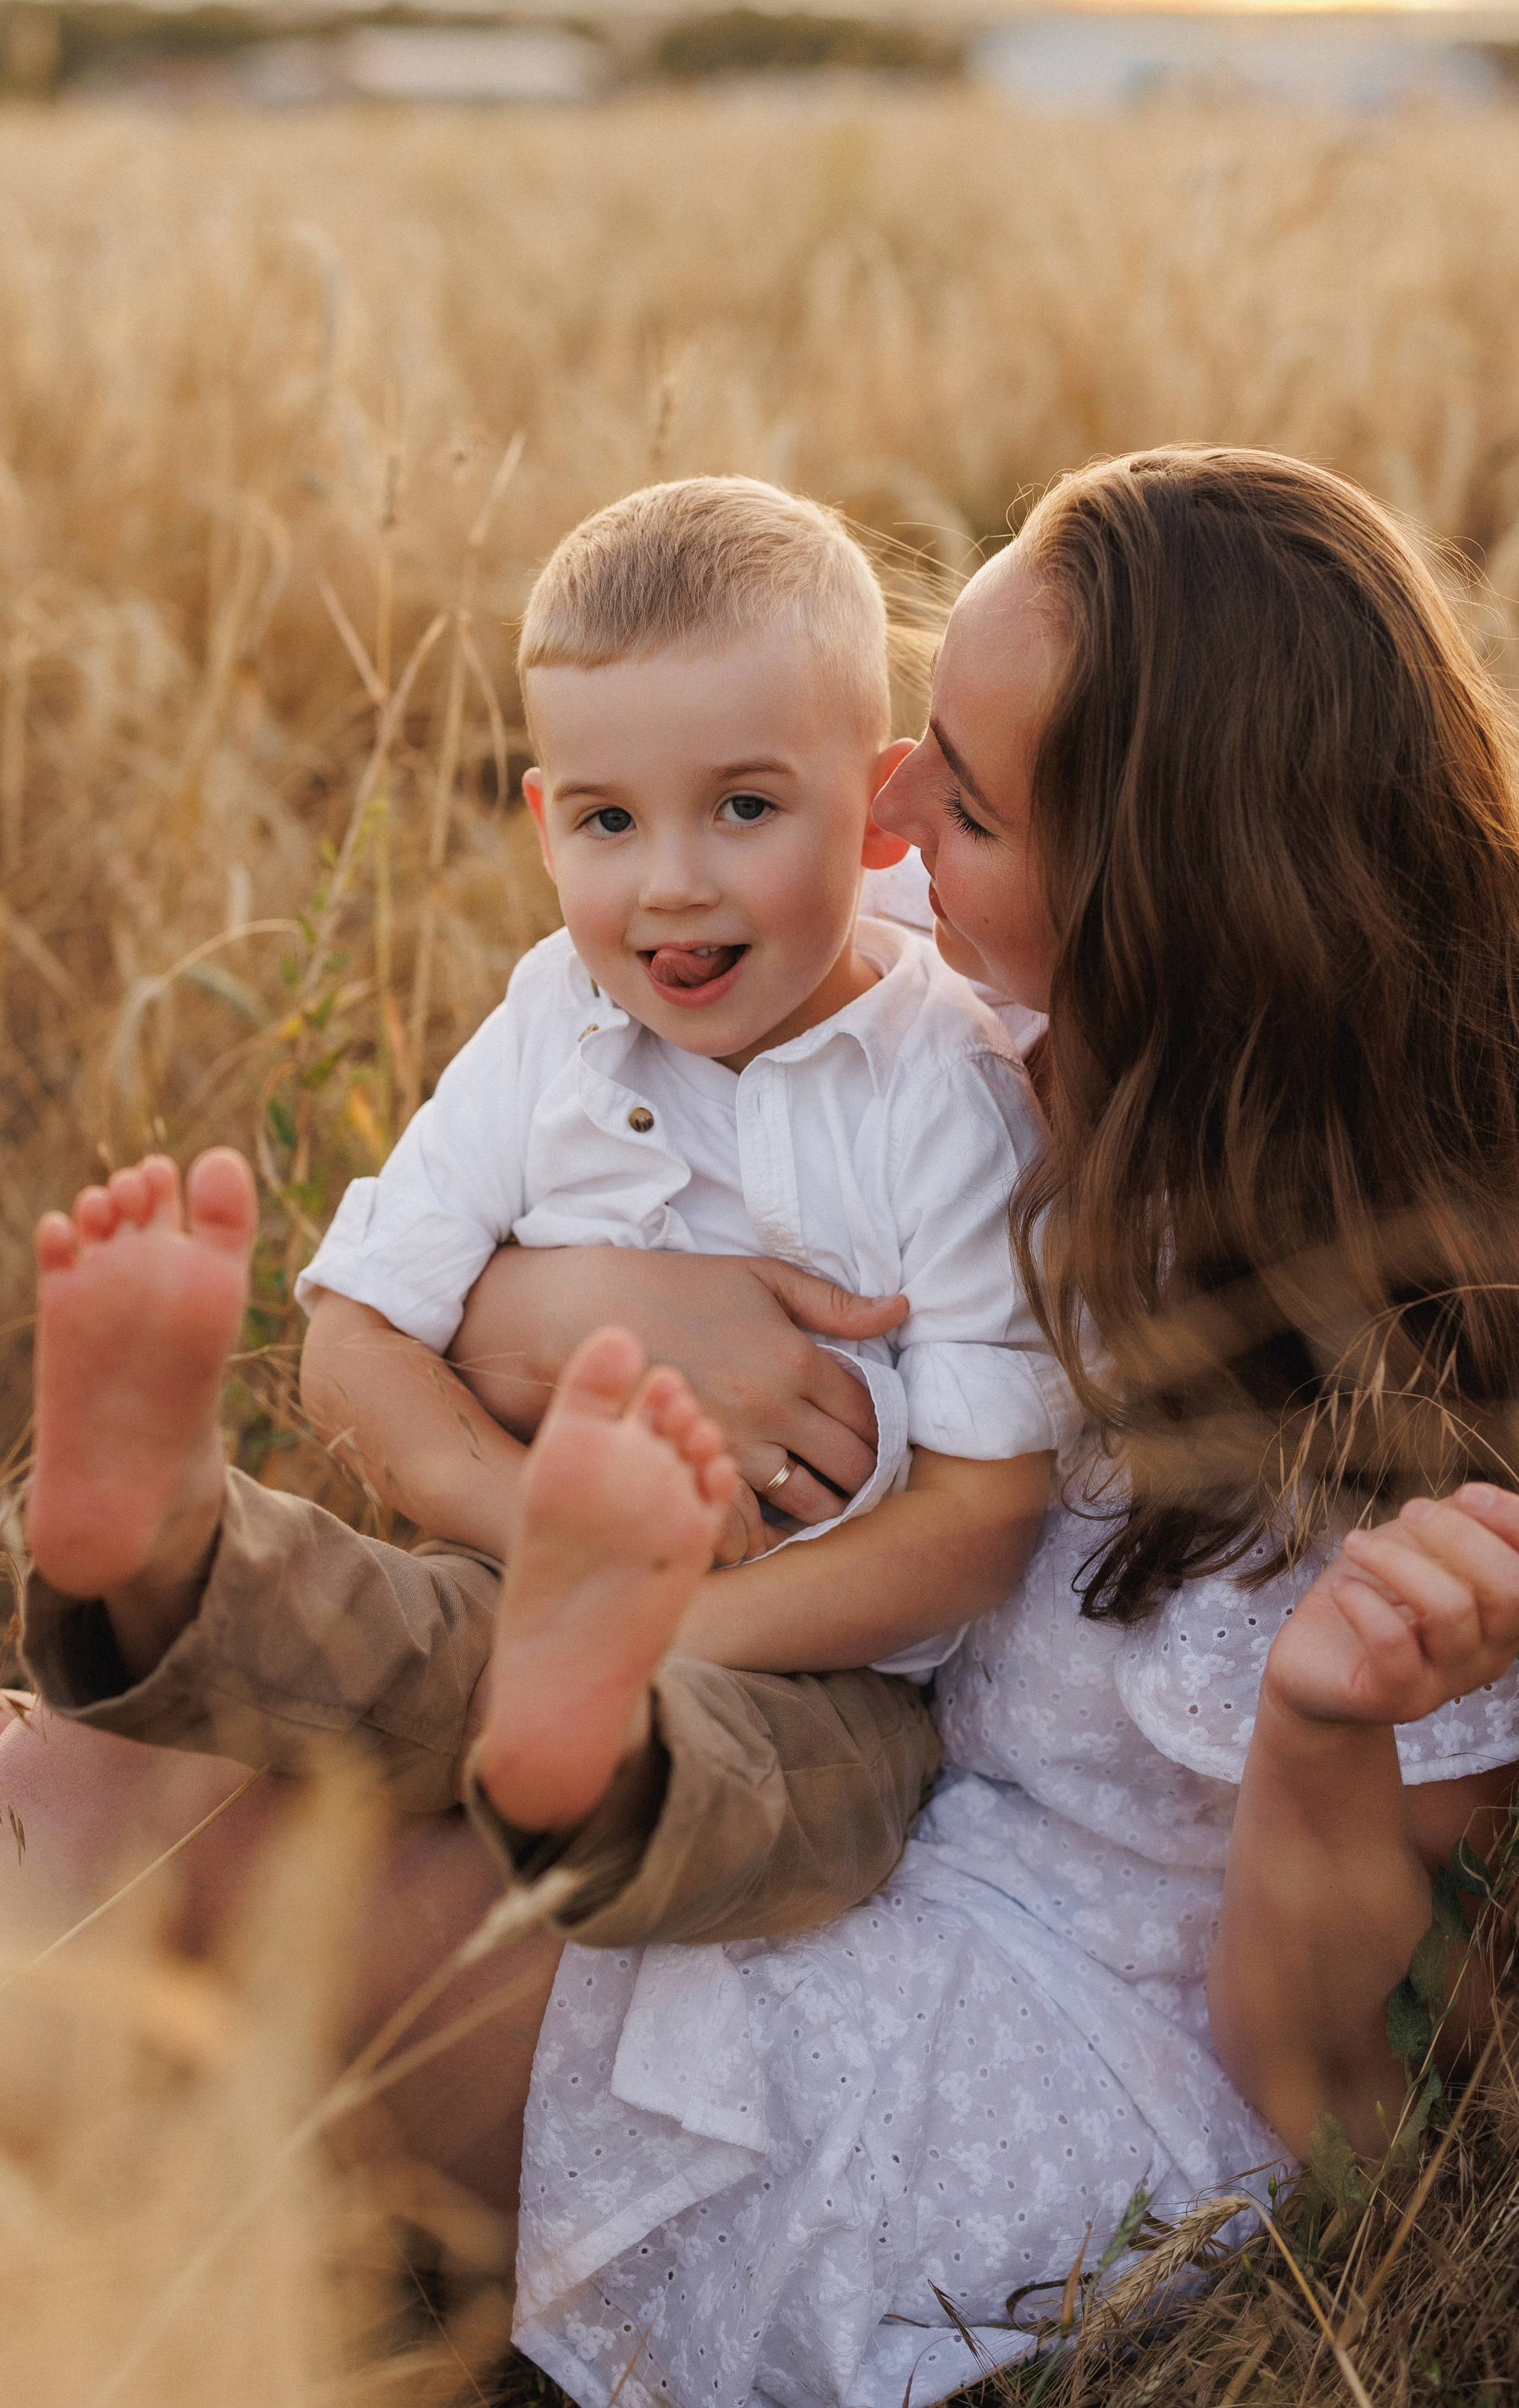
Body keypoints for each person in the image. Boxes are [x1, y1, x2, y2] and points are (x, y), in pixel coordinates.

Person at [0, 442, 1519, 2408]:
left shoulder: (1414, 1384)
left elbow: (1331, 2094)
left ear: (1154, 899)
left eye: (960, 798)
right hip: (784, 1767)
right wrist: (575, 1303)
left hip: (997, 2038)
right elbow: (549, 1192)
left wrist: (1322, 1728)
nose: (886, 817)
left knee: (118, 1827)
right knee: (53, 1765)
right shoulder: (952, 988)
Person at [296, 477, 1077, 1728]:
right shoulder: (554, 1022)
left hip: (804, 1674)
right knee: (324, 1615)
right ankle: (164, 1576)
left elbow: (977, 1518)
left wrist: (656, 1633)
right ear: (546, 827)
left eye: (744, 807)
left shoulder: (941, 1087)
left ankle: (574, 1774)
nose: (671, 884)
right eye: (608, 818)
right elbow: (350, 1345)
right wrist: (553, 1541)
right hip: (518, 1575)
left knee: (687, 1774)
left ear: (877, 816)